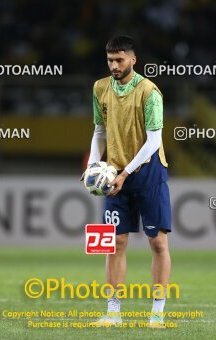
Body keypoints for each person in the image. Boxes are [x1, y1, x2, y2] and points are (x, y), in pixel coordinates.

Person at [84, 36, 172, 328]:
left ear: (133, 60)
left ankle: (157, 312)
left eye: (119, 60)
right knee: (113, 243)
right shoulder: (100, 88)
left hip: (148, 173)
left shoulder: (150, 92)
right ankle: (113, 312)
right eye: (110, 60)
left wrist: (124, 174)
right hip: (115, 172)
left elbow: (154, 141)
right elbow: (99, 130)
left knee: (157, 242)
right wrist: (94, 163)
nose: (114, 65)